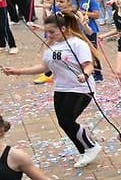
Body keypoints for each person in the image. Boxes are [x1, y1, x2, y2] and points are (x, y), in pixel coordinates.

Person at [2, 14, 101, 167]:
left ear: (63, 28)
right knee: (64, 122)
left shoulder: (77, 44)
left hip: (81, 88)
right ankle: (84, 150)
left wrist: (85, 74)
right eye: (47, 32)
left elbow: (89, 65)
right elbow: (43, 67)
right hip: (61, 88)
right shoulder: (51, 48)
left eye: (52, 32)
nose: (49, 35)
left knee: (67, 120)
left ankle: (91, 147)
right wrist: (18, 71)